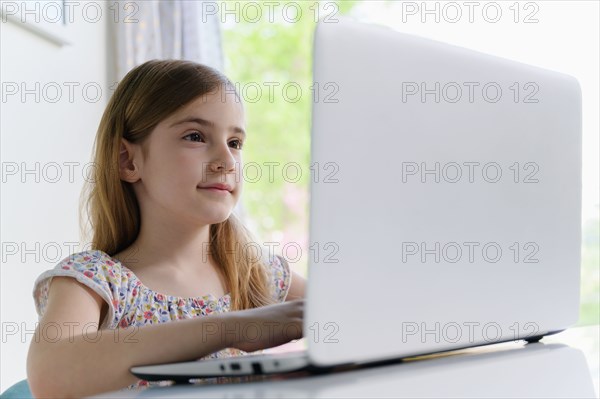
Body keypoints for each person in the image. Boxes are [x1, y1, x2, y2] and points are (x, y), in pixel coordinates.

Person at [26, 59, 306, 399]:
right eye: (195, 136)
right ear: (128, 160)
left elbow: (363, 317)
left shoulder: (256, 273)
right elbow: (49, 375)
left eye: (235, 143)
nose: (227, 161)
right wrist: (232, 329)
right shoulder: (98, 281)